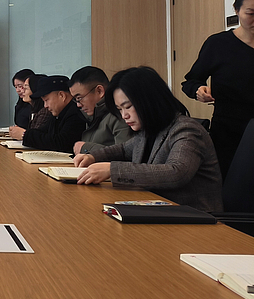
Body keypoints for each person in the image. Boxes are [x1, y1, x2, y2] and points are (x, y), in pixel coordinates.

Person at [75, 66, 222, 213]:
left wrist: (111, 170)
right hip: (157, 210)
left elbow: (176, 173)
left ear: (149, 101)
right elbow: (123, 149)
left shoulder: (187, 130)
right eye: (120, 109)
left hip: (192, 216)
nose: (124, 115)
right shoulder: (149, 130)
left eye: (128, 107)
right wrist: (92, 157)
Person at [182, 0, 254, 178]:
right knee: (232, 187)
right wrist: (199, 90)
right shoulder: (218, 44)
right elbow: (190, 81)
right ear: (236, 10)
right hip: (229, 134)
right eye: (251, 14)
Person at [69, 66, 133, 155]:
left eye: (79, 98)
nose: (78, 105)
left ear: (99, 91)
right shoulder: (91, 115)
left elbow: (126, 154)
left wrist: (86, 148)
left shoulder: (118, 115)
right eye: (75, 100)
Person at [19, 75, 86, 152]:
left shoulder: (76, 113)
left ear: (62, 96)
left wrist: (24, 134)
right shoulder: (58, 113)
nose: (45, 106)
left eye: (46, 100)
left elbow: (62, 143)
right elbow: (43, 131)